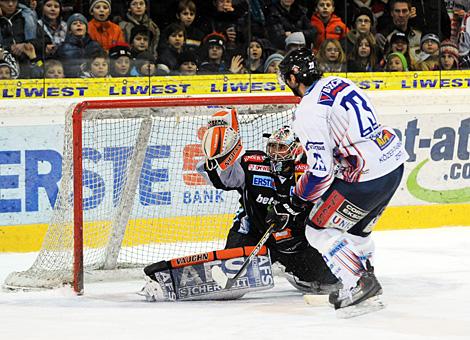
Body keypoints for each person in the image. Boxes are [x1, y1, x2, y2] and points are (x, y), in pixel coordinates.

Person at [275, 48, 407, 317]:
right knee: (357, 231)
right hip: (393, 164)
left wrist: (298, 198)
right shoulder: (342, 83)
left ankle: (359, 283)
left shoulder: (308, 110)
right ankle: (368, 283)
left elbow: (321, 173)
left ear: (292, 77)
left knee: (317, 228)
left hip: (366, 176)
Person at [197, 117, 339, 294]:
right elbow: (222, 180)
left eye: (281, 148)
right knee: (229, 274)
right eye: (272, 146)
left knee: (330, 281)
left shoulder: (310, 174)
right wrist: (217, 157)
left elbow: (323, 207)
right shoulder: (252, 163)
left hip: (293, 243)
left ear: (295, 149)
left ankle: (289, 268)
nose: (275, 153)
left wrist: (293, 216)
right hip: (252, 234)